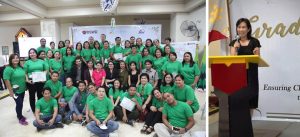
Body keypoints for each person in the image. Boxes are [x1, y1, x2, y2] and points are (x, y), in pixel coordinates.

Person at [229, 18, 261, 110]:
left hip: (251, 74)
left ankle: (248, 124)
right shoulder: (234, 43)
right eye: (239, 27)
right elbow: (232, 61)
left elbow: (258, 60)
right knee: (239, 100)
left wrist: (256, 54)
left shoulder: (255, 41)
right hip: (238, 75)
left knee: (251, 100)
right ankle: (241, 123)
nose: (241, 29)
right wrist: (235, 49)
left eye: (243, 27)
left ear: (248, 29)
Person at [3, 54, 28, 125]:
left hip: (22, 89)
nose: (16, 59)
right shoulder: (8, 69)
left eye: (17, 58)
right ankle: (20, 117)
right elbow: (6, 80)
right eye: (13, 58)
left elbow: (23, 77)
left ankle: (20, 115)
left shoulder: (20, 67)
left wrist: (26, 86)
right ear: (10, 60)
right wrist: (10, 91)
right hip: (15, 90)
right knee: (19, 104)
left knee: (21, 103)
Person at [24, 48, 47, 113]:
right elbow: (25, 73)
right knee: (32, 97)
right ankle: (34, 110)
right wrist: (27, 80)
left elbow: (45, 70)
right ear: (29, 54)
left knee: (40, 95)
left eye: (33, 52)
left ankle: (40, 109)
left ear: (36, 54)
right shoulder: (27, 62)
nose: (32, 54)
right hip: (31, 82)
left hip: (40, 81)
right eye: (30, 53)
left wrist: (43, 77)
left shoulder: (41, 61)